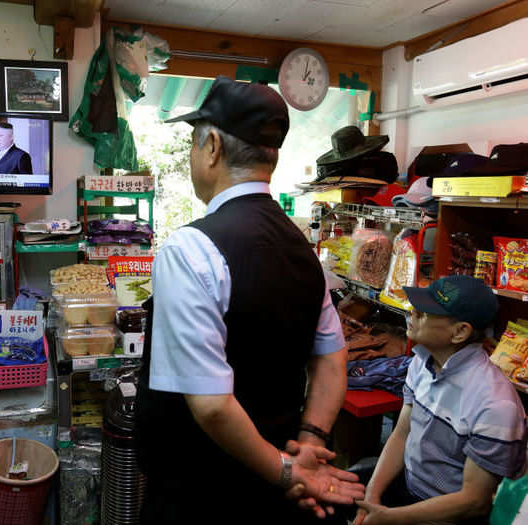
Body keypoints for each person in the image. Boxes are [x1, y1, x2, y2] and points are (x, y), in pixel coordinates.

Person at [135, 76, 364, 524]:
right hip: (272, 492)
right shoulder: (304, 250)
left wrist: (290, 472)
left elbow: (213, 403)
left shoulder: (190, 249)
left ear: (213, 147)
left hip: (199, 493)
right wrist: (311, 442)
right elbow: (332, 359)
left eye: (193, 145)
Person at [354, 275, 527, 525]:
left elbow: (474, 501)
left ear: (459, 332)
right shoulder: (422, 362)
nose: (413, 313)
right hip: (409, 487)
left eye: (425, 313)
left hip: (449, 515)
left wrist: (391, 518)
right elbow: (402, 433)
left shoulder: (495, 405)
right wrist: (372, 497)